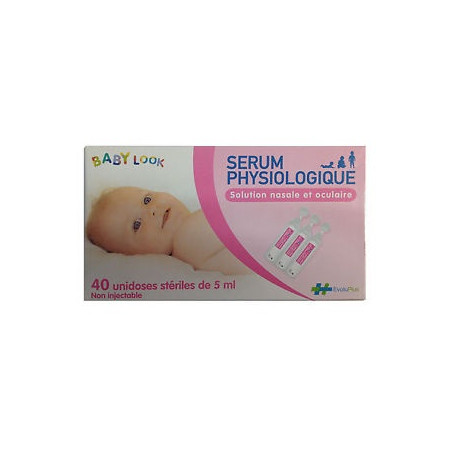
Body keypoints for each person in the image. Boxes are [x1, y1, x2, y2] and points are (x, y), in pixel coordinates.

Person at [86, 186, 251, 275]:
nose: (152, 210)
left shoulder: (192, 228)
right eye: (137, 224)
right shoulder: (186, 238)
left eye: (147, 199)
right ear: (136, 256)